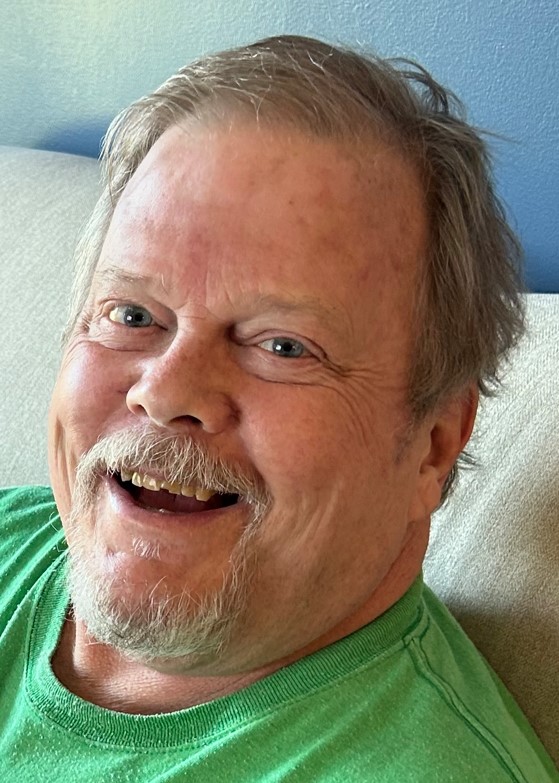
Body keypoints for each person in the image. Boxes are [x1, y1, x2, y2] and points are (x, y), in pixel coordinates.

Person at [1, 34, 557, 782]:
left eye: (283, 346)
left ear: (432, 443)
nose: (165, 392)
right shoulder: (17, 538)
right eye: (132, 315)